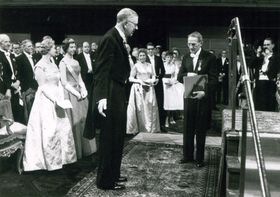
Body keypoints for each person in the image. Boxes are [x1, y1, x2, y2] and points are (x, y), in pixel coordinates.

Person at [83, 8, 138, 190]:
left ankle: (113, 175)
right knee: (109, 138)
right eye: (134, 24)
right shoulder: (110, 38)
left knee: (117, 137)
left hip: (118, 91)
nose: (136, 28)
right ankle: (105, 181)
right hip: (110, 92)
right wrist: (101, 98)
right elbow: (101, 70)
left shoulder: (119, 38)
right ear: (124, 23)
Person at [23, 38, 77, 171]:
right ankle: (50, 161)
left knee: (63, 129)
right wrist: (55, 100)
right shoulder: (40, 66)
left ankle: (63, 158)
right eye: (54, 48)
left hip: (57, 98)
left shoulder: (53, 63)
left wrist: (61, 98)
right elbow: (42, 87)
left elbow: (59, 82)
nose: (56, 50)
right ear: (47, 50)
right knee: (50, 130)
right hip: (46, 101)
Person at [177, 31, 217, 167]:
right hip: (189, 97)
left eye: (193, 44)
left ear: (201, 43)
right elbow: (179, 76)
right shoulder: (186, 57)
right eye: (189, 44)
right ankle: (187, 156)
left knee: (200, 129)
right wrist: (188, 74)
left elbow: (213, 80)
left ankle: (199, 158)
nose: (190, 47)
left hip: (202, 99)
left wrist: (204, 93)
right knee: (187, 127)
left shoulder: (210, 57)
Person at [59, 38, 96, 159]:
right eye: (71, 47)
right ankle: (77, 150)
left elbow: (79, 78)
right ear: (65, 49)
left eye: (74, 47)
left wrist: (84, 89)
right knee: (75, 121)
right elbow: (64, 82)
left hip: (80, 93)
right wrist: (76, 93)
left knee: (84, 120)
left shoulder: (76, 61)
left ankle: (88, 149)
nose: (74, 49)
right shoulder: (63, 62)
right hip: (70, 93)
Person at [126, 48, 160, 134]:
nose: (142, 57)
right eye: (140, 55)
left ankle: (150, 128)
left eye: (144, 55)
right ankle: (141, 128)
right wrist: (139, 81)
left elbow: (153, 75)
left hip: (149, 87)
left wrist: (152, 80)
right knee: (141, 108)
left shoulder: (149, 65)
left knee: (149, 107)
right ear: (138, 57)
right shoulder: (136, 66)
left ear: (146, 56)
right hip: (139, 89)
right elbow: (130, 78)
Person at [0, 34, 24, 123]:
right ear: (0, 43)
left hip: (15, 87)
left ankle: (16, 133)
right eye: (6, 42)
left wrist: (18, 81)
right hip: (5, 89)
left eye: (9, 41)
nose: (8, 43)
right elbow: (1, 75)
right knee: (7, 113)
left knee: (16, 109)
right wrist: (8, 88)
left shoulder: (11, 55)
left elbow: (17, 70)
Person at [251, 37, 279, 111]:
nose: (265, 46)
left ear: (273, 45)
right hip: (259, 83)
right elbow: (251, 65)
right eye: (264, 45)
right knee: (258, 106)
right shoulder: (260, 56)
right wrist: (258, 53)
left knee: (269, 106)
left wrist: (268, 57)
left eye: (268, 44)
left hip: (270, 83)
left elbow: (275, 69)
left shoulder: (276, 57)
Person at [146, 42, 166, 132]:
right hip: (148, 84)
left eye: (152, 49)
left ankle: (161, 125)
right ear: (147, 50)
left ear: (154, 50)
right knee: (148, 104)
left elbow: (163, 71)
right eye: (149, 49)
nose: (150, 51)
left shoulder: (158, 58)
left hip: (158, 84)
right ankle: (148, 125)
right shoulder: (144, 59)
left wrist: (158, 78)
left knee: (160, 104)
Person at [16, 39, 38, 122]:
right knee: (28, 111)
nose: (31, 47)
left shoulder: (34, 57)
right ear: (23, 47)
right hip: (27, 89)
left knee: (34, 110)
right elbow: (19, 75)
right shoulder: (19, 58)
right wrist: (24, 89)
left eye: (31, 46)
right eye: (29, 46)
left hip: (35, 87)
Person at [162, 51, 184, 127]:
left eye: (170, 57)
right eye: (167, 57)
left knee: (170, 102)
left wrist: (172, 82)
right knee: (163, 102)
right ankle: (164, 120)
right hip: (163, 84)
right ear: (165, 57)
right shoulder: (163, 65)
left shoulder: (173, 66)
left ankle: (169, 118)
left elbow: (175, 76)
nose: (169, 59)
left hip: (170, 84)